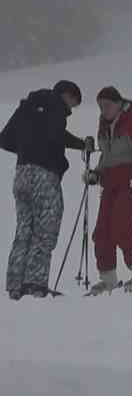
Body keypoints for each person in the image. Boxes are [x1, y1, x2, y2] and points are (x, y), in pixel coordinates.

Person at [3, 80, 90, 300]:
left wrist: (27, 149)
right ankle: (35, 284)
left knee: (24, 229)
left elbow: (4, 139)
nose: (71, 109)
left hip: (22, 173)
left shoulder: (27, 105)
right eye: (73, 102)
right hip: (44, 175)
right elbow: (55, 134)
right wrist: (82, 144)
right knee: (45, 230)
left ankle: (15, 285)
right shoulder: (55, 104)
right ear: (67, 95)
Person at [83, 87, 132, 293]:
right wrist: (96, 174)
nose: (103, 109)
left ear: (118, 104)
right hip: (111, 183)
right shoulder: (105, 125)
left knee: (122, 228)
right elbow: (106, 156)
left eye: (107, 105)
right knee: (102, 232)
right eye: (100, 106)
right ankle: (108, 279)